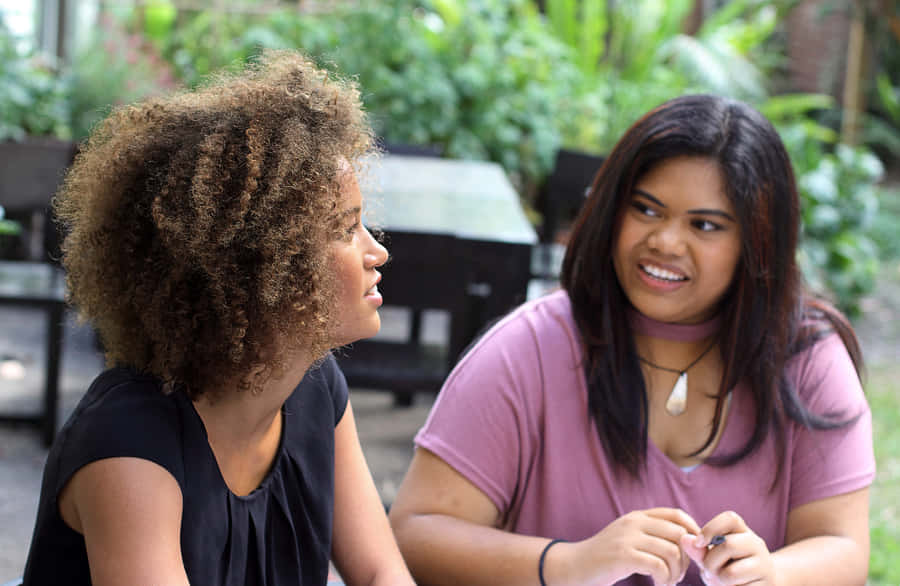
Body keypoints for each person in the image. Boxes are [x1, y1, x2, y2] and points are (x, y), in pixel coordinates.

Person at [389, 94, 874, 586]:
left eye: (704, 225)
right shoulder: (529, 349)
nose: (664, 241)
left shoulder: (808, 358)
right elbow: (415, 533)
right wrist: (569, 563)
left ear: (758, 243)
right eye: (646, 209)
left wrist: (773, 574)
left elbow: (843, 545)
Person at [23, 50, 416, 586]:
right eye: (346, 230)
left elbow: (379, 572)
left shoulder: (314, 385)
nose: (378, 252)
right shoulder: (127, 446)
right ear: (261, 265)